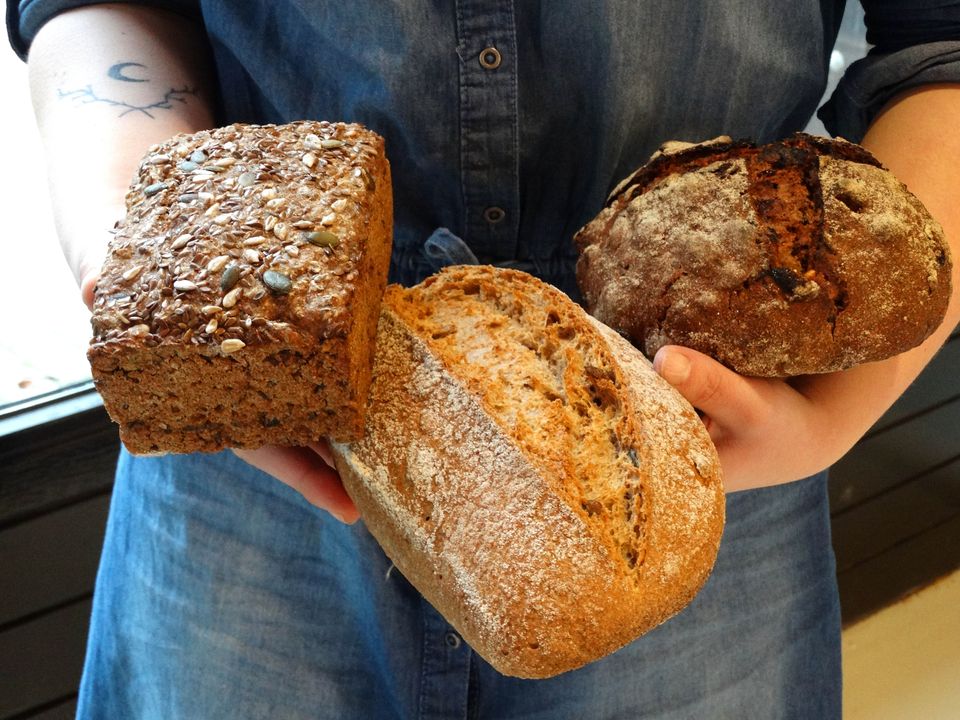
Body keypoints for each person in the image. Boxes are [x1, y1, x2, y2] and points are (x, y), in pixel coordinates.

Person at [9, 1, 960, 717]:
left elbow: (941, 39)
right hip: (262, 465)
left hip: (692, 468)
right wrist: (157, 281)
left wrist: (839, 411)